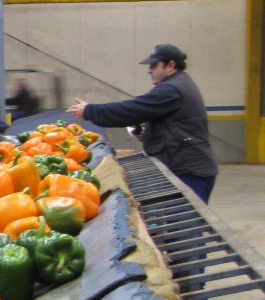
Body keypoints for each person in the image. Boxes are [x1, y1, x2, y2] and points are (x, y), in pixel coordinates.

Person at [67, 43, 218, 202]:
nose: (149, 70)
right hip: (189, 167)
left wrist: (90, 111)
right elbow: (173, 122)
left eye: (154, 65)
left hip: (189, 172)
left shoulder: (172, 89)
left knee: (187, 223)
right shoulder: (179, 83)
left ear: (171, 65)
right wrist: (152, 132)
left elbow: (133, 110)